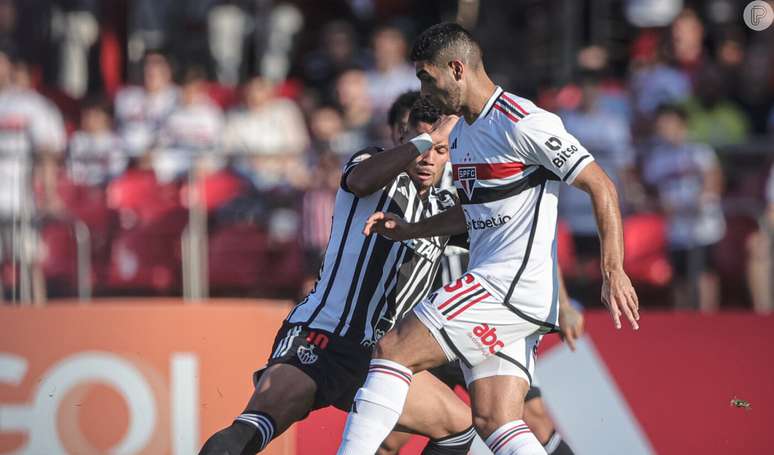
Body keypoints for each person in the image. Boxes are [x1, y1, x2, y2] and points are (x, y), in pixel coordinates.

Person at [336, 23, 639, 455]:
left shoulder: (523, 122)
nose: (423, 88)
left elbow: (601, 185)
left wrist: (613, 269)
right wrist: (412, 229)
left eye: (427, 77)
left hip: (508, 286)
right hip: (506, 292)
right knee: (496, 421)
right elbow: (473, 209)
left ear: (457, 68)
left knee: (393, 349)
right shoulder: (460, 132)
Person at [200, 93, 480, 455]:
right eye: (422, 145)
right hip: (322, 335)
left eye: (441, 150)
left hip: (380, 356)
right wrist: (427, 138)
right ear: (403, 138)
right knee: (249, 429)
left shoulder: (442, 208)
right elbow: (360, 181)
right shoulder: (374, 166)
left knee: (459, 428)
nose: (428, 158)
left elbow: (494, 226)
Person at [641, 104, 725, 312]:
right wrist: (662, 205)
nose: (664, 130)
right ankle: (683, 320)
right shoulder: (657, 158)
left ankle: (708, 318)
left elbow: (714, 178)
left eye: (668, 124)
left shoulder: (699, 151)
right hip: (676, 227)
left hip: (703, 223)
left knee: (705, 272)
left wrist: (702, 199)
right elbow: (650, 189)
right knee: (680, 276)